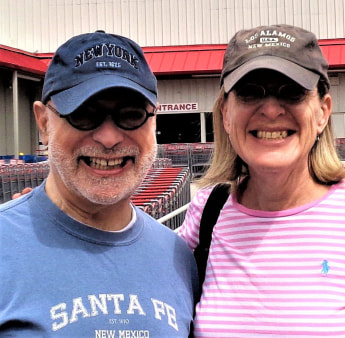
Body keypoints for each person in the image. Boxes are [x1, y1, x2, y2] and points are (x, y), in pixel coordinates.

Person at [177, 24, 345, 337]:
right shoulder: (206, 213)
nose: (269, 109)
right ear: (226, 113)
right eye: (250, 92)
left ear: (323, 111)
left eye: (292, 92)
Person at [0, 31, 199, 336]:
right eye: (84, 114)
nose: (109, 138)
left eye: (131, 115)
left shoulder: (178, 257)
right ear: (44, 124)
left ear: (154, 122)